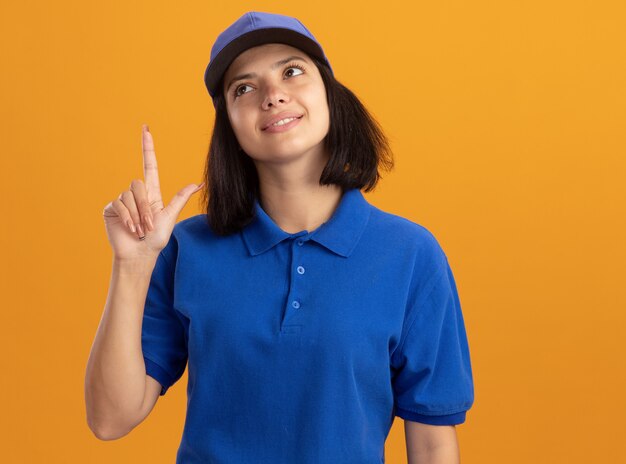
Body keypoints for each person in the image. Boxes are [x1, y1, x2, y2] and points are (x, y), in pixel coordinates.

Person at [85, 11, 474, 464]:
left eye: (292, 71)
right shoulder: (185, 249)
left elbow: (431, 441)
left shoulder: (410, 255)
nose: (272, 96)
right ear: (230, 124)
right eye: (244, 88)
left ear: (330, 94)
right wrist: (131, 266)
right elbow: (110, 419)